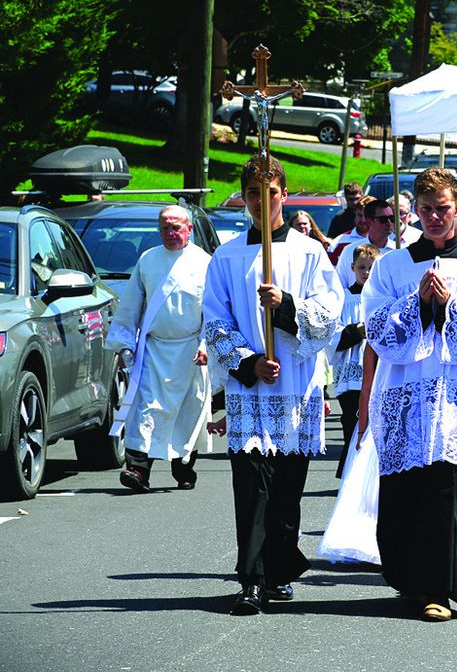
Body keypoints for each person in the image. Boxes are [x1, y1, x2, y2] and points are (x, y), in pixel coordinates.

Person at [359, 168, 457, 622]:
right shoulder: (393, 265)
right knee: (406, 491)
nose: (434, 217)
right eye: (425, 210)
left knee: (446, 492)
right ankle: (409, 580)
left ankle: (441, 590)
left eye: (442, 209)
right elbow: (376, 327)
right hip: (405, 391)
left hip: (455, 394)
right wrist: (416, 304)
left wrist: (448, 304)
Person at [203, 156, 344, 616]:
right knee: (251, 487)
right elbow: (215, 319)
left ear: (284, 194)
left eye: (271, 195)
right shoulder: (226, 256)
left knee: (286, 489)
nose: (262, 205)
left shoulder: (308, 252)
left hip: (295, 388)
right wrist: (248, 363)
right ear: (243, 198)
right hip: (251, 390)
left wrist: (285, 307)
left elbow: (329, 314)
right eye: (252, 197)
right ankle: (251, 579)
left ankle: (279, 569)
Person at [107, 205, 212, 493]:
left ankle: (184, 467)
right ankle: (138, 469)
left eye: (176, 226)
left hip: (191, 352)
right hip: (154, 350)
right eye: (165, 227)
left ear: (189, 228)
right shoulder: (148, 260)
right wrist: (126, 343)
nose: (171, 232)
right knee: (146, 409)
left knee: (188, 412)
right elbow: (131, 304)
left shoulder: (205, 263)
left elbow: (213, 312)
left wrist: (206, 344)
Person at [329, 243, 379, 478]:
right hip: (351, 377)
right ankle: (349, 472)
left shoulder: (382, 297)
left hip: (377, 373)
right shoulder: (343, 298)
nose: (366, 273)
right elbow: (332, 337)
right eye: (362, 267)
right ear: (352, 267)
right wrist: (357, 331)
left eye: (371, 268)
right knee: (352, 424)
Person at [334, 198, 393, 289]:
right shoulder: (349, 251)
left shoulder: (399, 250)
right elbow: (338, 287)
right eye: (383, 219)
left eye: (392, 218)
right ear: (369, 221)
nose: (389, 223)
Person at [328, 195, 375, 264]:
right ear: (355, 215)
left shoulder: (385, 242)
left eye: (366, 216)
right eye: (359, 215)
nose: (363, 220)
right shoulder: (339, 242)